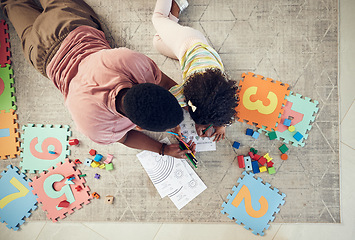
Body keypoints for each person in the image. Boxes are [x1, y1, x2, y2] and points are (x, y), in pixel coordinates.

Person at [1, 0, 195, 159]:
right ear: (139, 126)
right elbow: (126, 138)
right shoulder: (94, 126)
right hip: (42, 56)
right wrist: (162, 149)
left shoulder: (131, 61)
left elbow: (165, 83)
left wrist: (187, 110)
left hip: (69, 20)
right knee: (13, 4)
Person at [152, 0, 238, 142]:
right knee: (158, 19)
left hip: (195, 47)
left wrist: (221, 125)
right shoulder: (184, 91)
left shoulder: (224, 91)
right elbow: (171, 100)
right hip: (185, 40)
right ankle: (171, 16)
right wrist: (177, 125)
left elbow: (227, 107)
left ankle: (176, 7)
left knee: (157, 42)